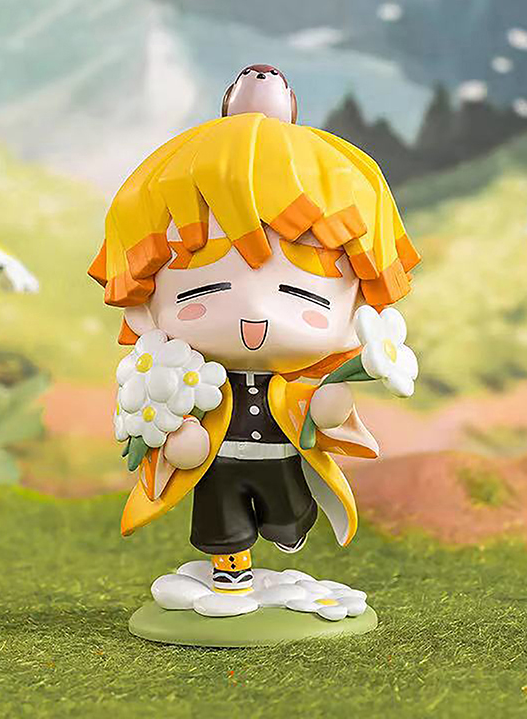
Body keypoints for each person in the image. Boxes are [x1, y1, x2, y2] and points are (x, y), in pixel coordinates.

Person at [89, 77, 419, 593]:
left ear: (359, 302)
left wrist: (330, 400)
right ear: (142, 302)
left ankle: (285, 534)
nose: (256, 316)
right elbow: (176, 434)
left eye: (302, 293)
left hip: (283, 459)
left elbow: (324, 414)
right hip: (219, 464)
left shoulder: (310, 367)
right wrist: (180, 437)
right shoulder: (185, 382)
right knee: (222, 517)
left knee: (289, 514)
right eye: (205, 290)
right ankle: (231, 565)